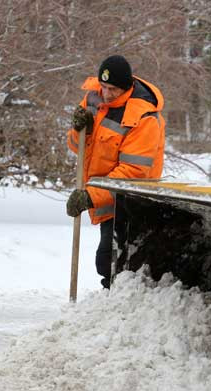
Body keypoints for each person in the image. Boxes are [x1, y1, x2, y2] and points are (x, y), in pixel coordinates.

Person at [66, 55, 166, 289]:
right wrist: (83, 132)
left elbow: (134, 172)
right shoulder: (93, 100)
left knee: (113, 262)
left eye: (113, 89)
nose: (107, 93)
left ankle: (123, 304)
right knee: (107, 262)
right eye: (103, 86)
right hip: (107, 197)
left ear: (127, 86)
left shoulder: (143, 117)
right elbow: (76, 147)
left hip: (133, 202)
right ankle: (112, 301)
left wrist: (91, 195)